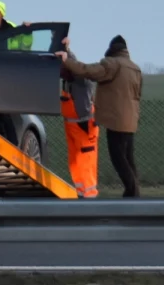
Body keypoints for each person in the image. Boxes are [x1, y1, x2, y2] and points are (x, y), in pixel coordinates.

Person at [56, 35, 142, 198]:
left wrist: (67, 58)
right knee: (128, 158)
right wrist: (67, 50)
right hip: (131, 119)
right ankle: (134, 193)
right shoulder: (134, 68)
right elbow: (138, 95)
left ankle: (131, 192)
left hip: (115, 120)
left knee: (118, 158)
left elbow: (87, 70)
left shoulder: (111, 64)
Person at [59, 54, 99, 198]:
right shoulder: (70, 80)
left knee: (85, 161)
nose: (61, 73)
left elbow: (75, 64)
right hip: (72, 126)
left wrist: (68, 55)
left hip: (84, 125)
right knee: (75, 161)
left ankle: (90, 194)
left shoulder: (81, 80)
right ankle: (81, 192)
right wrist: (66, 49)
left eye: (63, 69)